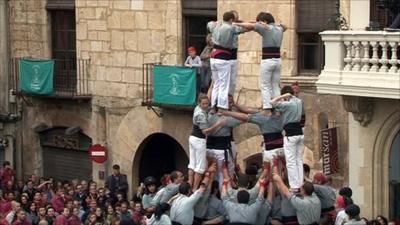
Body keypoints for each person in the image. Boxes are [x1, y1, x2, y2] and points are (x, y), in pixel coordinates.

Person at [207, 11, 246, 111]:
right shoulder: (231, 28)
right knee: (224, 84)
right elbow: (245, 28)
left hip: (213, 57)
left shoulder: (215, 26)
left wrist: (217, 22)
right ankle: (222, 107)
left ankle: (212, 106)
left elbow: (209, 24)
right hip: (223, 57)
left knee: (216, 84)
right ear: (231, 20)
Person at [188, 94, 226, 191]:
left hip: (192, 138)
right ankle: (194, 189)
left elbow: (208, 107)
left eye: (207, 103)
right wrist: (218, 124)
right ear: (199, 103)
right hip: (199, 140)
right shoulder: (200, 114)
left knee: (192, 164)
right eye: (203, 104)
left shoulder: (197, 108)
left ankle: (189, 184)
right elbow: (205, 131)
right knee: (199, 166)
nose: (205, 105)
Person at [271, 86, 304, 190]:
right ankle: (300, 183)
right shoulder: (299, 101)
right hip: (299, 133)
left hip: (291, 134)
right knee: (298, 159)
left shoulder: (288, 104)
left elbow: (272, 103)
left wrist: (281, 96)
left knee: (290, 161)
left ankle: (294, 186)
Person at [206, 108, 244, 187]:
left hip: (208, 149)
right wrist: (230, 113)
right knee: (223, 174)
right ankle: (223, 193)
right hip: (221, 150)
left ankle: (213, 191)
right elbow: (243, 118)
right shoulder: (226, 119)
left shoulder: (209, 115)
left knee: (212, 173)